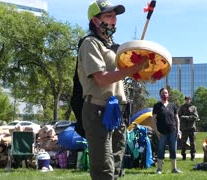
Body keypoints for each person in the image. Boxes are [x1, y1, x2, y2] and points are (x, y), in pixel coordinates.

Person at [78, 1, 148, 179]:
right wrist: (132, 69)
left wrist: (142, 69)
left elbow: (123, 74)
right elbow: (101, 79)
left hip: (117, 111)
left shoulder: (113, 47)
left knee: (116, 167)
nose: (114, 20)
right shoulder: (90, 43)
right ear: (95, 20)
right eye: (109, 15)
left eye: (115, 16)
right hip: (98, 111)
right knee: (104, 169)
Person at [152, 88, 182, 174]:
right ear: (160, 95)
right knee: (161, 150)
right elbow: (153, 119)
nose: (164, 94)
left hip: (173, 131)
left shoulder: (173, 105)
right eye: (163, 93)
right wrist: (156, 131)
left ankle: (174, 168)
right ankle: (159, 169)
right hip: (161, 132)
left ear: (168, 95)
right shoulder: (157, 105)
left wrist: (178, 130)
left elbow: (177, 119)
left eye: (166, 93)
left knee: (173, 150)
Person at [178, 96, 199, 161]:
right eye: (186, 99)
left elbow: (195, 117)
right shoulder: (182, 107)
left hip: (191, 128)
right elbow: (179, 116)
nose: (187, 101)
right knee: (183, 143)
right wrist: (184, 118)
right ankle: (183, 156)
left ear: (190, 100)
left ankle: (193, 156)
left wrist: (186, 117)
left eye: (188, 99)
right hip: (184, 128)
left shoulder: (193, 107)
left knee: (192, 143)